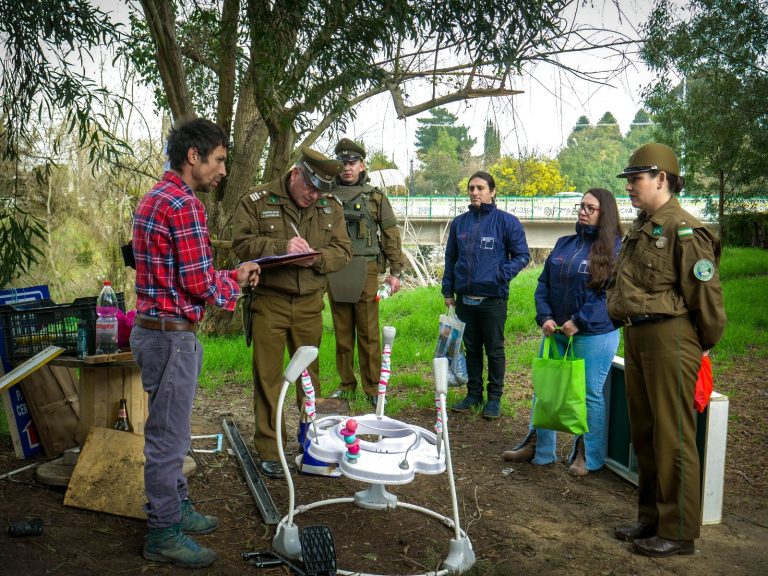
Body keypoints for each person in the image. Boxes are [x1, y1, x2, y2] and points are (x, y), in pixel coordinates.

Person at [131, 118, 260, 569]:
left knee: (174, 429)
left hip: (153, 330)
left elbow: (174, 276)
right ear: (194, 157)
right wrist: (236, 283)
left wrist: (225, 278)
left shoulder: (154, 198)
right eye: (219, 160)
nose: (222, 170)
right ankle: (163, 530)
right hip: (172, 339)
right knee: (167, 439)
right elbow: (198, 282)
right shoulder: (185, 205)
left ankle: (177, 508)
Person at [607, 143, 726, 557]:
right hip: (638, 336)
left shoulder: (685, 229)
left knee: (673, 437)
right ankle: (651, 518)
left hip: (670, 338)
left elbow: (707, 300)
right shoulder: (643, 226)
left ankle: (678, 531)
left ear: (661, 179)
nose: (630, 188)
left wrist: (700, 345)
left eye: (636, 179)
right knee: (646, 432)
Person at [231, 147, 352, 479]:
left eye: (320, 191)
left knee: (308, 378)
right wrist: (281, 248)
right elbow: (240, 244)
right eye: (310, 187)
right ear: (296, 173)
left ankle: (309, 443)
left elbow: (343, 250)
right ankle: (270, 449)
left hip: (310, 303)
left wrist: (314, 258)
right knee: (268, 377)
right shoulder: (257, 200)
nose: (313, 196)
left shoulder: (330, 207)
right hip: (269, 300)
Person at [502, 188, 622, 477]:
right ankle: (539, 448)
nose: (582, 211)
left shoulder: (616, 248)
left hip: (593, 333)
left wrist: (578, 321)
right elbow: (544, 284)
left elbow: (608, 293)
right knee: (546, 389)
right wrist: (545, 317)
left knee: (588, 394)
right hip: (556, 331)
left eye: (590, 208)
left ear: (604, 213)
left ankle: (586, 454)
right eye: (581, 206)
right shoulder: (564, 243)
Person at [442, 171, 530, 419]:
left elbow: (522, 255)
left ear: (492, 192)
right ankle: (473, 394)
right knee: (470, 347)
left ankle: (494, 399)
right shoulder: (460, 223)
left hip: (493, 299)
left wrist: (500, 276)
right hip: (465, 299)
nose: (475, 192)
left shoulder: (507, 222)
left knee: (494, 349)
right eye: (471, 188)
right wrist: (448, 290)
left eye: (480, 188)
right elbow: (451, 258)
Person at [326, 138, 405, 406]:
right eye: (342, 163)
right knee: (342, 331)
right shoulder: (326, 196)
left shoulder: (375, 198)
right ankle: (347, 384)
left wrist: (396, 271)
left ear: (362, 166)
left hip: (367, 269)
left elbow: (391, 235)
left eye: (352, 163)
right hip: (336, 269)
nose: (346, 168)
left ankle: (372, 388)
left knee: (369, 332)